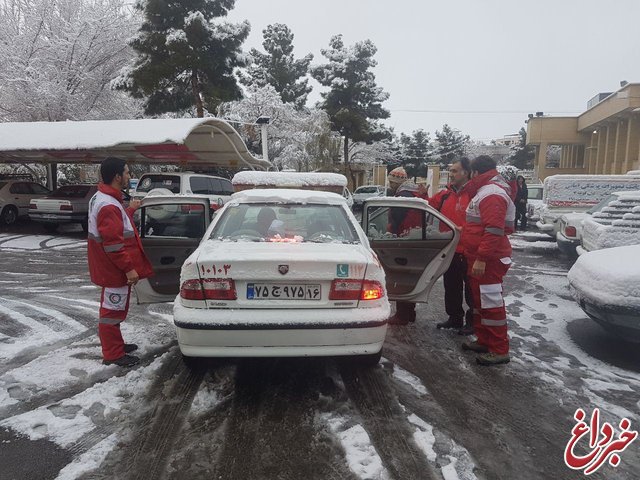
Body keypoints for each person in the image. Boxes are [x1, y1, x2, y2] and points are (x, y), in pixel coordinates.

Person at [88, 157, 153, 367]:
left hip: (111, 269)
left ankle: (116, 345)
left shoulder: (105, 198)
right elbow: (113, 245)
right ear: (117, 176)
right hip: (114, 270)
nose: (129, 176)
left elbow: (115, 224)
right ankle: (113, 354)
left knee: (113, 310)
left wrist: (131, 209)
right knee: (111, 313)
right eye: (126, 172)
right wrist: (129, 269)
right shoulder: (108, 205)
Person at [460, 155, 515, 366]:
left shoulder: (491, 193)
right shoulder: (486, 191)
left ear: (475, 172)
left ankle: (499, 349)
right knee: (480, 302)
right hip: (480, 257)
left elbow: (493, 230)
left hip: (489, 259)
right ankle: (484, 340)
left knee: (491, 302)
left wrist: (482, 258)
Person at [428, 157, 474, 335]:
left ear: (466, 173)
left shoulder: (474, 195)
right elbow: (427, 205)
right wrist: (417, 195)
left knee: (471, 290)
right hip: (450, 249)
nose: (451, 174)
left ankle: (472, 322)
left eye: (455, 171)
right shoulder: (445, 194)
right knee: (452, 286)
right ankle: (455, 318)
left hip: (469, 251)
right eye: (451, 171)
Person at [385, 166, 428, 325]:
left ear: (398, 181)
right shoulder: (413, 192)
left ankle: (402, 315)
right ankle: (410, 313)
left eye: (392, 181)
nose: (390, 184)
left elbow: (395, 221)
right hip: (415, 238)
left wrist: (390, 234)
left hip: (404, 240)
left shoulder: (402, 196)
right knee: (410, 276)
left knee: (400, 276)